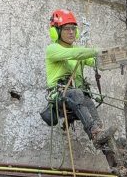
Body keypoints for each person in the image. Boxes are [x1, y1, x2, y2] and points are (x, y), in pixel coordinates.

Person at [42, 9, 114, 147]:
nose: (71, 32)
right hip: (60, 96)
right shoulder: (53, 49)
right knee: (76, 93)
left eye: (73, 29)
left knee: (88, 100)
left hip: (77, 97)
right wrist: (93, 51)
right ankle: (94, 131)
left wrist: (114, 57)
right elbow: (75, 54)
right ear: (56, 32)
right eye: (67, 29)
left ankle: (106, 143)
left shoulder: (78, 52)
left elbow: (94, 61)